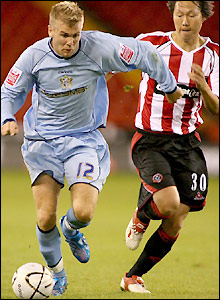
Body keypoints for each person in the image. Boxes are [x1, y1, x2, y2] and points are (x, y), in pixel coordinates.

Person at [1, 1, 184, 296]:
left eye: (75, 35)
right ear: (50, 30)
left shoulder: (98, 47)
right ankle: (58, 276)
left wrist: (169, 85)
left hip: (83, 140)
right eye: (63, 35)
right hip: (42, 143)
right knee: (45, 216)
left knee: (83, 212)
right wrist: (7, 116)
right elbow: (9, 90)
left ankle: (71, 229)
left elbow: (145, 53)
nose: (70, 42)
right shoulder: (34, 56)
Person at [117, 1, 219, 294]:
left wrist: (205, 87)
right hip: (150, 138)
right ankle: (141, 216)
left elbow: (215, 108)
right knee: (168, 204)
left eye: (191, 14)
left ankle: (132, 277)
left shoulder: (212, 57)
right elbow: (113, 60)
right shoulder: (151, 44)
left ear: (203, 16)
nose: (184, 21)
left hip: (187, 144)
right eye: (179, 14)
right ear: (172, 13)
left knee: (176, 220)